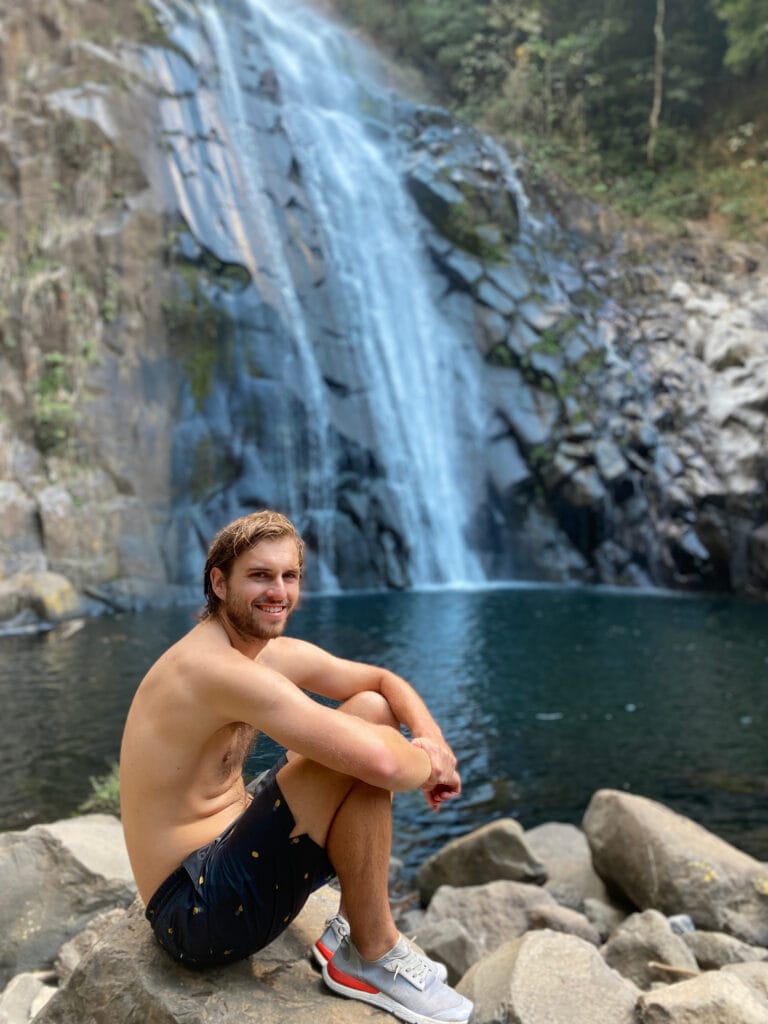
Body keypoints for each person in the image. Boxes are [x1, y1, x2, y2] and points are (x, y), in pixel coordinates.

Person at [120, 510, 473, 1024]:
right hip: (195, 912)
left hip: (227, 850)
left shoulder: (262, 653)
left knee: (370, 712)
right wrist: (427, 769)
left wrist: (432, 742)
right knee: (363, 752)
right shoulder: (212, 669)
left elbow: (379, 680)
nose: (278, 591)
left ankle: (355, 931)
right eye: (259, 576)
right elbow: (381, 763)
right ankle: (370, 956)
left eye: (289, 576)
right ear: (219, 583)